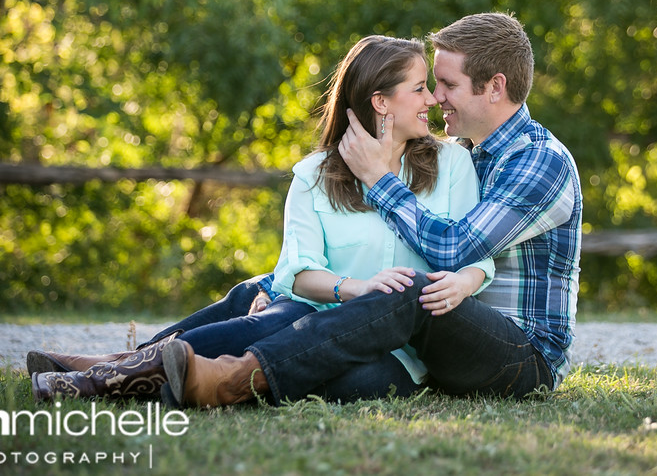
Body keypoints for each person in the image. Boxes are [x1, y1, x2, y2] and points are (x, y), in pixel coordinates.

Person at [28, 35, 494, 403]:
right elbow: (296, 271)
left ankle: (125, 370)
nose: (432, 99)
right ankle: (114, 374)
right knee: (269, 322)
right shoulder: (316, 175)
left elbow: (472, 252)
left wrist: (465, 279)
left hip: (398, 349)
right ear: (380, 102)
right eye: (419, 88)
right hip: (313, 315)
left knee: (362, 379)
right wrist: (357, 289)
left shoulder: (451, 166)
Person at [162, 12, 582, 408]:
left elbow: (456, 248)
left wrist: (380, 180)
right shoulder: (468, 152)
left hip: (523, 354)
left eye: (447, 85)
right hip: (446, 333)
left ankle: (237, 377)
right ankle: (141, 363)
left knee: (406, 292)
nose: (436, 99)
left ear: (494, 87)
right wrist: (281, 286)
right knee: (268, 288)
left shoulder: (540, 160)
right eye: (428, 85)